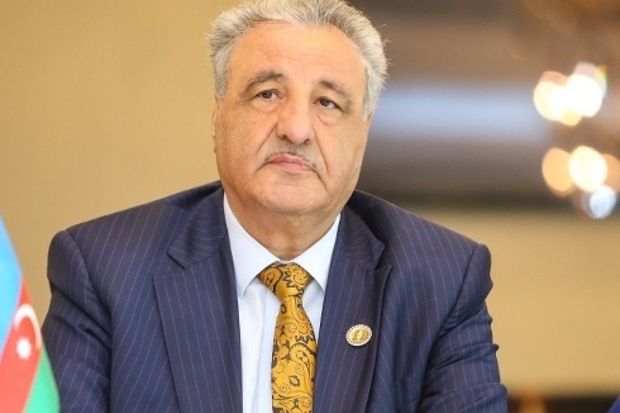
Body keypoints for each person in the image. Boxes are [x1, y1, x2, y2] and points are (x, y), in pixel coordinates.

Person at [41, 0, 507, 411]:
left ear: (362, 134)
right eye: (268, 94)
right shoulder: (104, 269)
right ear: (218, 115)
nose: (296, 129)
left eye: (327, 102)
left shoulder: (441, 280)